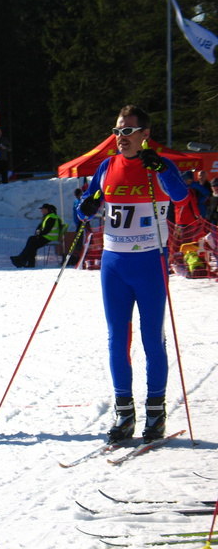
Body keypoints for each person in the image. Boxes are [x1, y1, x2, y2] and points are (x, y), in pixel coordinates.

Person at [76, 104, 188, 445]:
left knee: (152, 339)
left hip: (150, 262)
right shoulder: (107, 166)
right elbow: (84, 209)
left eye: (127, 131)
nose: (120, 137)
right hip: (114, 264)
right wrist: (86, 208)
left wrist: (162, 169)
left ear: (144, 134)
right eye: (117, 131)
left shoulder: (159, 166)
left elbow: (180, 195)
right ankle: (124, 413)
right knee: (117, 339)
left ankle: (155, 412)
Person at [9, 203, 63, 268]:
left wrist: (38, 234)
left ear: (48, 210)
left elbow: (46, 230)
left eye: (43, 209)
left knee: (32, 241)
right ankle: (25, 261)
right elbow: (40, 228)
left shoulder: (52, 217)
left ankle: (23, 260)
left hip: (49, 238)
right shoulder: (49, 217)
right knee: (32, 242)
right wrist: (38, 233)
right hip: (48, 237)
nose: (41, 211)